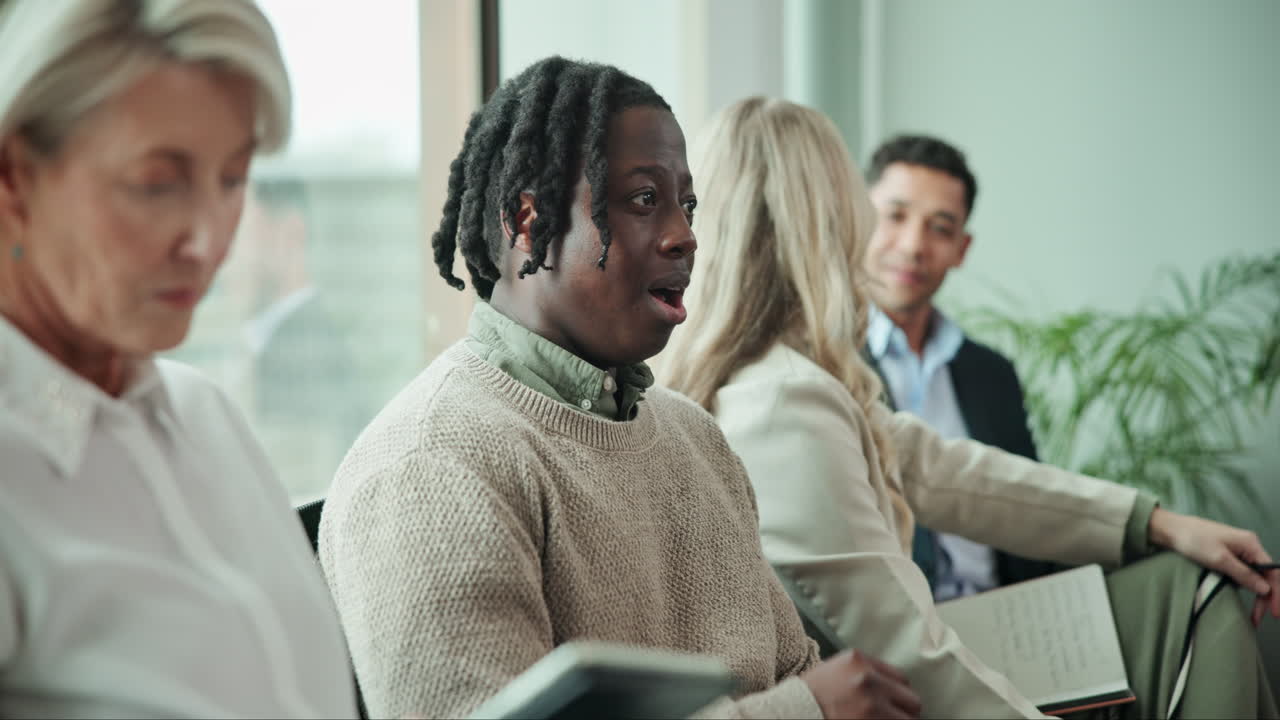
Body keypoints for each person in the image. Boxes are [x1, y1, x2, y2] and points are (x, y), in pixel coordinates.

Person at [319, 57, 921, 720]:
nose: (684, 236)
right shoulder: (432, 465)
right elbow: (805, 699)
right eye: (644, 200)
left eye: (686, 206)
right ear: (528, 220)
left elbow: (793, 672)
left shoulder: (695, 438)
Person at [658, 97, 1280, 718]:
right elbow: (907, 654)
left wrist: (1157, 521)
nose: (895, 240)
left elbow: (948, 471)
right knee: (1201, 593)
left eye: (939, 225)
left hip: (955, 630)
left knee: (1191, 580)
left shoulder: (794, 379)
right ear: (830, 219)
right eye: (882, 212)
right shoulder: (781, 402)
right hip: (891, 681)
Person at [0, 1, 357, 716]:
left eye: (231, 180)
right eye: (158, 183)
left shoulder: (207, 416)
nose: (207, 242)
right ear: (14, 178)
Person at [861, 134, 1056, 599]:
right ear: (857, 217)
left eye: (940, 228)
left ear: (962, 249)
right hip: (895, 631)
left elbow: (1029, 512)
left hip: (1006, 612)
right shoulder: (820, 361)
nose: (913, 246)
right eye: (895, 216)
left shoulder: (991, 374)